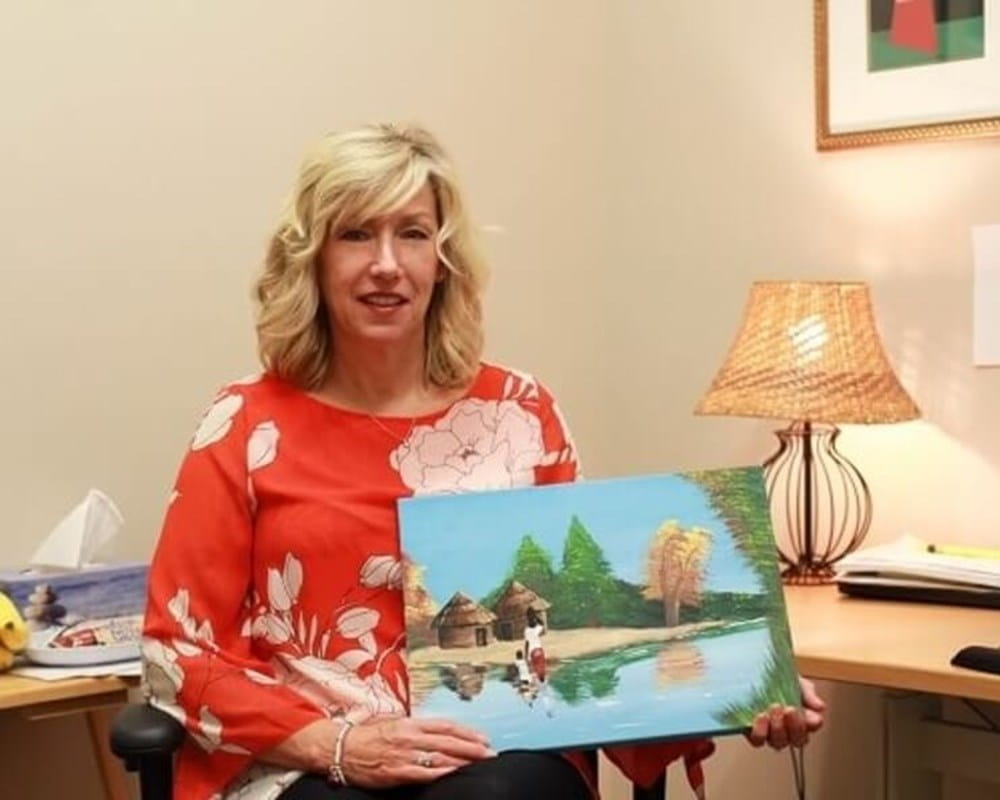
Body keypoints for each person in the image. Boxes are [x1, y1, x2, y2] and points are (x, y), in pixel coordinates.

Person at [141, 123, 825, 800]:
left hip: (497, 746)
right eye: (355, 234)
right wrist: (337, 746)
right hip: (310, 755)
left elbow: (576, 619)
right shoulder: (244, 425)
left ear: (444, 261)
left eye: (413, 234)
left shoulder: (519, 412)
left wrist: (744, 685)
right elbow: (177, 649)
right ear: (313, 258)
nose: (387, 263)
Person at [523, 608, 547, 684]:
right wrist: (536, 616)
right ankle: (541, 679)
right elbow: (542, 623)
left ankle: (539, 680)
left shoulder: (527, 630)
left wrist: (526, 655)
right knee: (541, 667)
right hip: (539, 650)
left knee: (536, 668)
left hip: (533, 652)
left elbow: (527, 643)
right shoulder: (537, 629)